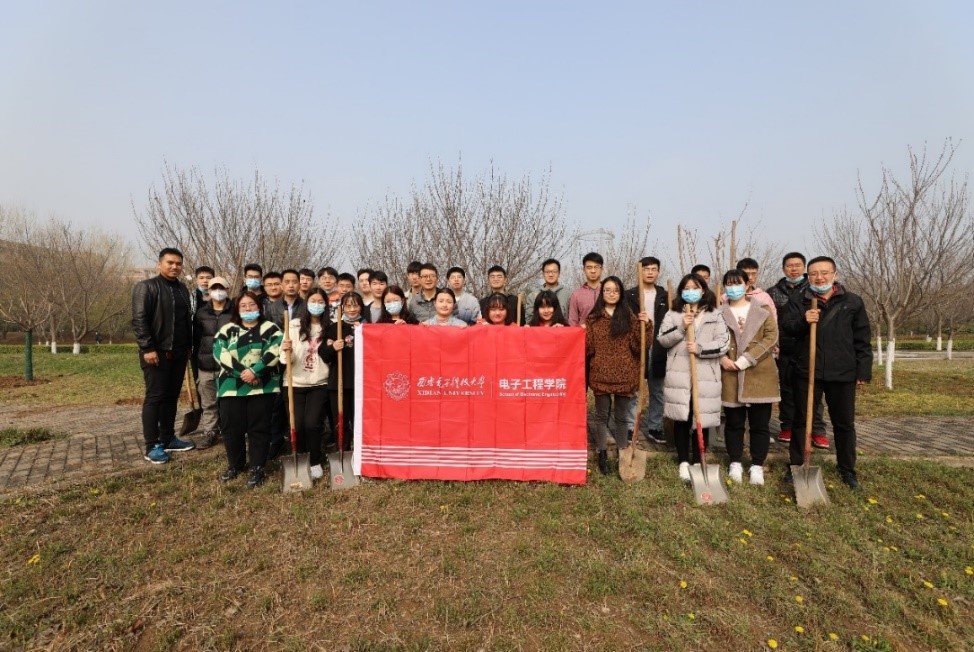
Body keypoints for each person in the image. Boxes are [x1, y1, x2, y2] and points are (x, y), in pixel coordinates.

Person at [781, 256, 872, 490]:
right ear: (808, 276)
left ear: (835, 274)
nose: (819, 277)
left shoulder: (852, 302)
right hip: (807, 371)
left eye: (824, 273)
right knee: (802, 421)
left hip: (842, 372)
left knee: (844, 423)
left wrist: (863, 370)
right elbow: (787, 328)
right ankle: (797, 465)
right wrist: (804, 321)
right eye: (813, 274)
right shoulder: (799, 300)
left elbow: (862, 339)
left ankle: (847, 469)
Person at [657, 273, 729, 483]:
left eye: (695, 288)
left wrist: (700, 348)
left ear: (703, 290)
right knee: (682, 418)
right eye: (686, 288)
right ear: (681, 292)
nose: (690, 292)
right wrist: (681, 327)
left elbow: (723, 343)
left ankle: (699, 460)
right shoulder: (673, 314)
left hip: (705, 376)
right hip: (680, 375)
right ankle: (683, 461)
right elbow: (662, 339)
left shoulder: (715, 314)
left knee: (702, 419)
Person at [132, 247, 197, 464]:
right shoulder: (146, 287)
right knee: (155, 397)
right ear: (159, 264)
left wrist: (188, 346)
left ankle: (168, 437)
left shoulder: (182, 289)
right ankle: (152, 445)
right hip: (156, 352)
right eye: (170, 262)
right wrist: (147, 347)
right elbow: (139, 320)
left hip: (178, 353)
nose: (174, 266)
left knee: (171, 397)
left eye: (178, 263)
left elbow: (186, 321)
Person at [213, 291, 284, 488]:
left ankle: (257, 467)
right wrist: (243, 373)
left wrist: (255, 371)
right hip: (231, 387)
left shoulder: (271, 329)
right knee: (231, 428)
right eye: (243, 306)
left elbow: (275, 351)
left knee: (259, 428)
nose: (247, 309)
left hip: (263, 387)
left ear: (259, 307)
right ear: (237, 309)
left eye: (251, 305)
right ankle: (235, 465)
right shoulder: (228, 330)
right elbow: (219, 352)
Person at [718, 269, 779, 486]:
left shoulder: (762, 309)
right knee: (734, 423)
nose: (733, 288)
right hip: (730, 373)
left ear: (747, 285)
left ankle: (757, 465)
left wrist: (748, 358)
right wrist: (722, 358)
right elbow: (711, 338)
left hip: (759, 372)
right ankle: (735, 461)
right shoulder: (719, 312)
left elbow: (771, 336)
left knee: (760, 424)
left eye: (738, 283)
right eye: (729, 284)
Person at [766, 252, 828, 448]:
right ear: (783, 269)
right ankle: (788, 426)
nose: (793, 269)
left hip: (809, 346)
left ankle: (817, 430)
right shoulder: (773, 292)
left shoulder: (812, 290)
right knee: (787, 390)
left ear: (804, 268)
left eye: (797, 265)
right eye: (789, 266)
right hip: (784, 347)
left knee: (813, 389)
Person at [585, 276, 644, 474]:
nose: (611, 294)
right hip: (600, 374)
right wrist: (582, 333)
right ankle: (602, 453)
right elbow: (588, 349)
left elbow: (639, 346)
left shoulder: (630, 318)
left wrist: (646, 326)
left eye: (616, 290)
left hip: (625, 375)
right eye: (607, 290)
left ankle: (622, 453)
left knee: (621, 418)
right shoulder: (593, 319)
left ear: (621, 293)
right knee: (601, 417)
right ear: (602, 293)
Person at [280, 288, 330, 481]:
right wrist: (287, 350)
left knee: (312, 424)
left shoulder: (329, 327)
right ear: (306, 303)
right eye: (313, 301)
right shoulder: (293, 325)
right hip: (295, 383)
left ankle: (315, 460)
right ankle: (301, 458)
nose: (316, 305)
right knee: (297, 425)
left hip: (319, 382)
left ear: (325, 305)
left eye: (320, 302)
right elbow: (285, 359)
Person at [624, 256, 669, 445]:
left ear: (658, 272)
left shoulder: (665, 296)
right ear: (640, 271)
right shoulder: (630, 295)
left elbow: (675, 315)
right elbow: (623, 320)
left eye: (653, 269)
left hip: (658, 346)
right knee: (634, 389)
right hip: (636, 346)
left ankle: (655, 427)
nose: (650, 272)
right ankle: (630, 427)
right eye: (646, 269)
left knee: (657, 390)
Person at [320, 292, 369, 451]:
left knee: (361, 421)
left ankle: (360, 453)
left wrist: (363, 332)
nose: (352, 309)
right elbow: (324, 355)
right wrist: (333, 348)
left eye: (355, 305)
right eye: (348, 305)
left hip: (362, 383)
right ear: (342, 308)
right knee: (340, 421)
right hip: (338, 382)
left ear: (361, 307)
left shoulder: (368, 327)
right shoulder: (334, 328)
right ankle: (343, 451)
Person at [192, 275, 234, 449]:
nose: (218, 291)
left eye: (221, 288)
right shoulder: (201, 313)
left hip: (229, 366)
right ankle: (210, 432)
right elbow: (196, 339)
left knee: (229, 403)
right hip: (206, 364)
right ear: (208, 291)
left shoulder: (235, 311)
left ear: (227, 290)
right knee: (208, 403)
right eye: (214, 288)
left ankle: (231, 432)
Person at [525, 258, 571, 324]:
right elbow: (529, 319)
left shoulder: (568, 294)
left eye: (554, 272)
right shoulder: (533, 295)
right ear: (543, 274)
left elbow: (572, 319)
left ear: (559, 273)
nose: (550, 275)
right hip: (539, 330)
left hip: (562, 329)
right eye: (547, 272)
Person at [568, 252, 604, 326]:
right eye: (589, 267)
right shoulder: (576, 295)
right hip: (584, 332)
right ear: (584, 269)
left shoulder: (609, 292)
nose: (593, 271)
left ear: (602, 269)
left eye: (596, 267)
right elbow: (572, 322)